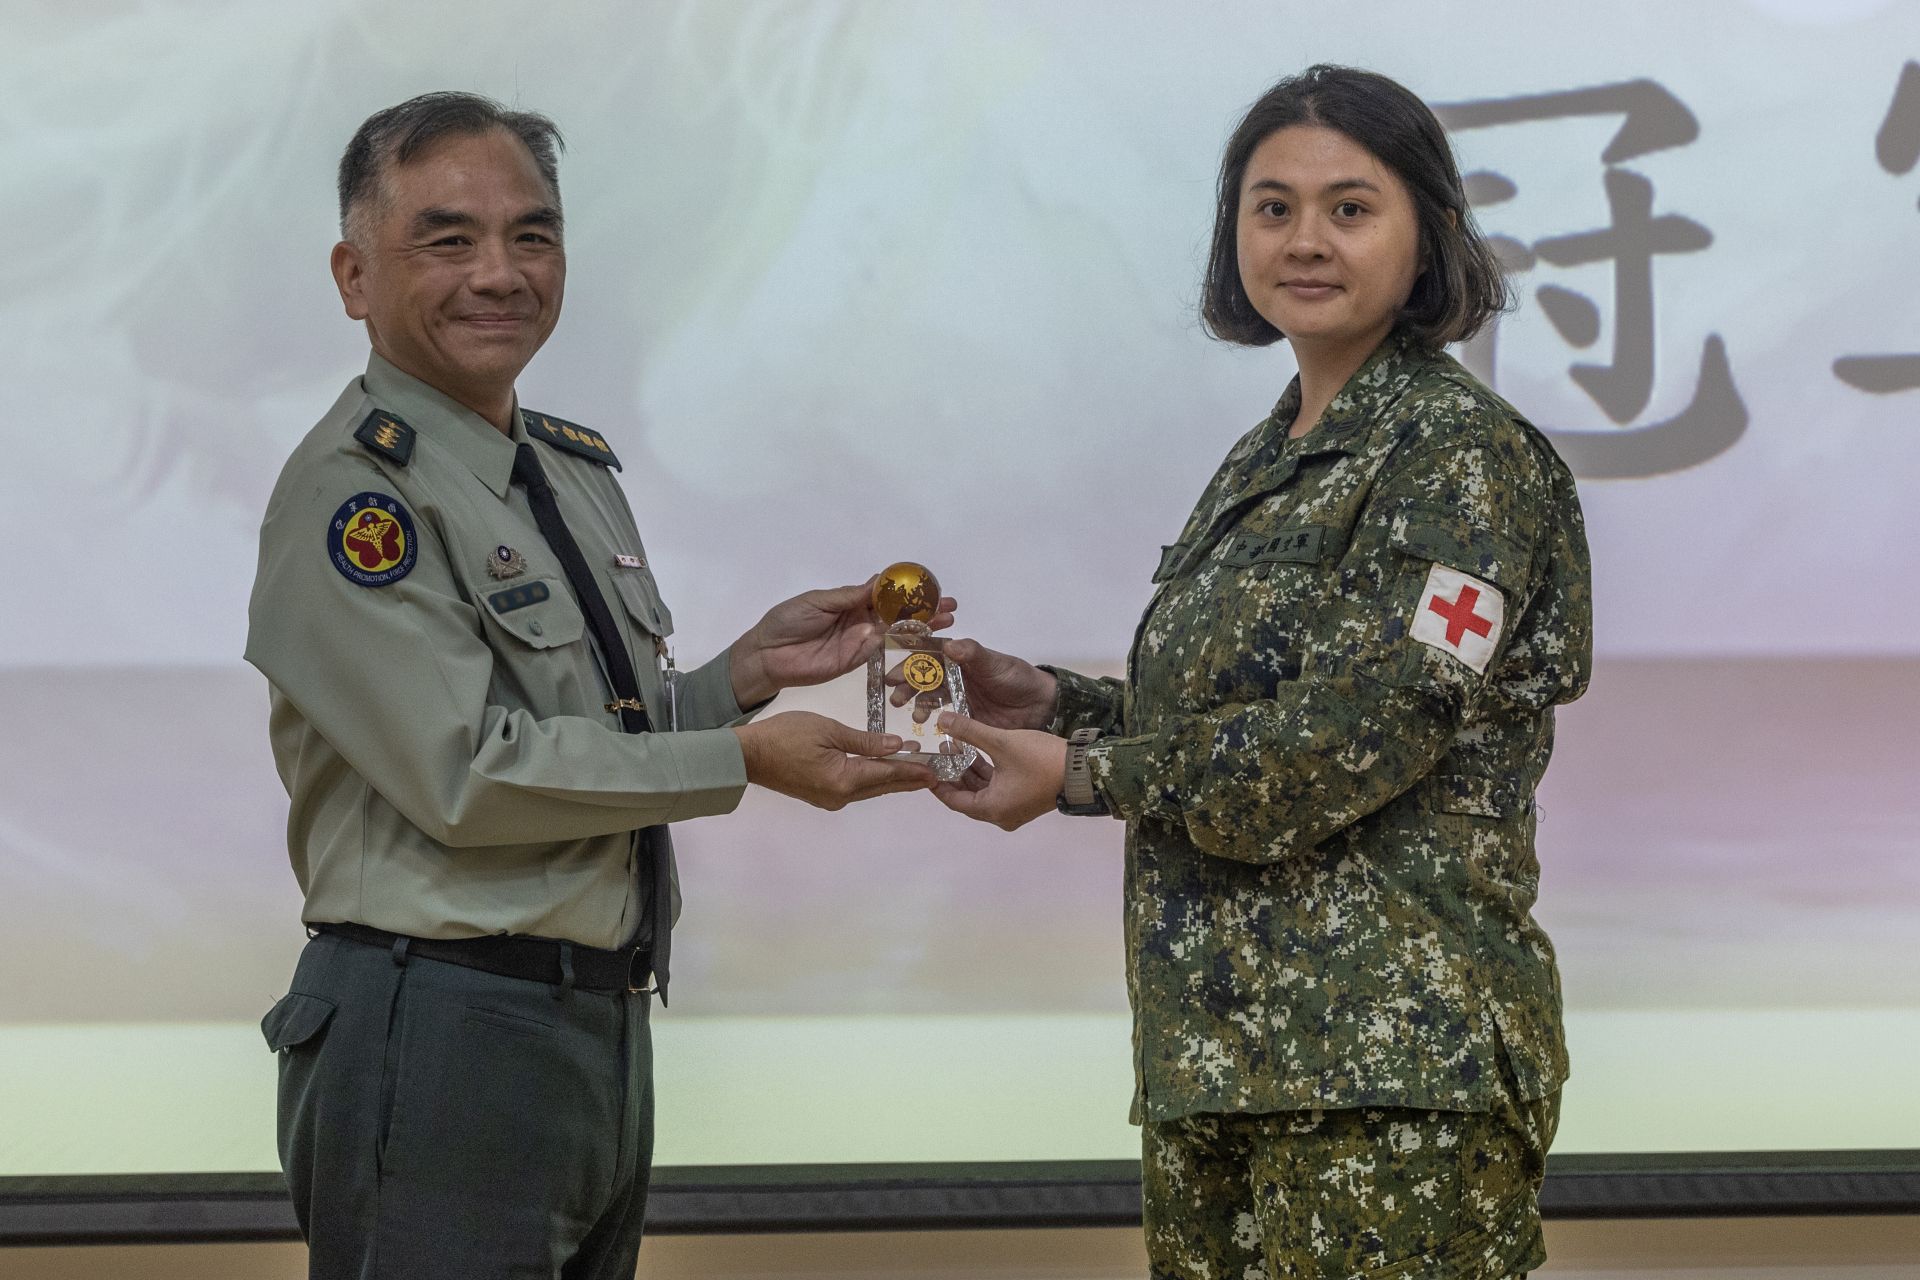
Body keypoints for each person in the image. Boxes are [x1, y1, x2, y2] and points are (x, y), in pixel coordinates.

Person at [246, 92, 940, 1279]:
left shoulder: (567, 469)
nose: (500, 273)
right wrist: (740, 761)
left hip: (592, 1028)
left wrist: (741, 679)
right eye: (448, 239)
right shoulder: (358, 498)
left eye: (533, 234)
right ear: (355, 276)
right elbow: (469, 774)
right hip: (442, 1026)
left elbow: (586, 737)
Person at [931, 65, 1593, 1279]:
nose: (1305, 241)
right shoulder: (1267, 452)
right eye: (1272, 207)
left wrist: (1080, 771)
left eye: (1351, 208)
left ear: (1431, 233)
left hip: (1393, 1075)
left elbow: (1363, 729)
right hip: (1221, 1063)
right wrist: (1062, 704)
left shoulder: (1459, 454)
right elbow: (1245, 712)